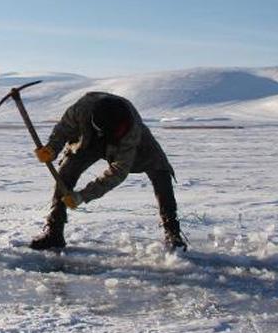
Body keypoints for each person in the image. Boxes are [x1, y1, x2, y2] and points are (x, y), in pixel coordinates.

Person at [31, 92, 187, 252]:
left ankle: (172, 232)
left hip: (129, 146)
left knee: (160, 171)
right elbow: (64, 129)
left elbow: (118, 171)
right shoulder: (82, 108)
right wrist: (52, 148)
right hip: (87, 140)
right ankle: (54, 231)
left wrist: (82, 196)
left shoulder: (131, 131)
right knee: (65, 174)